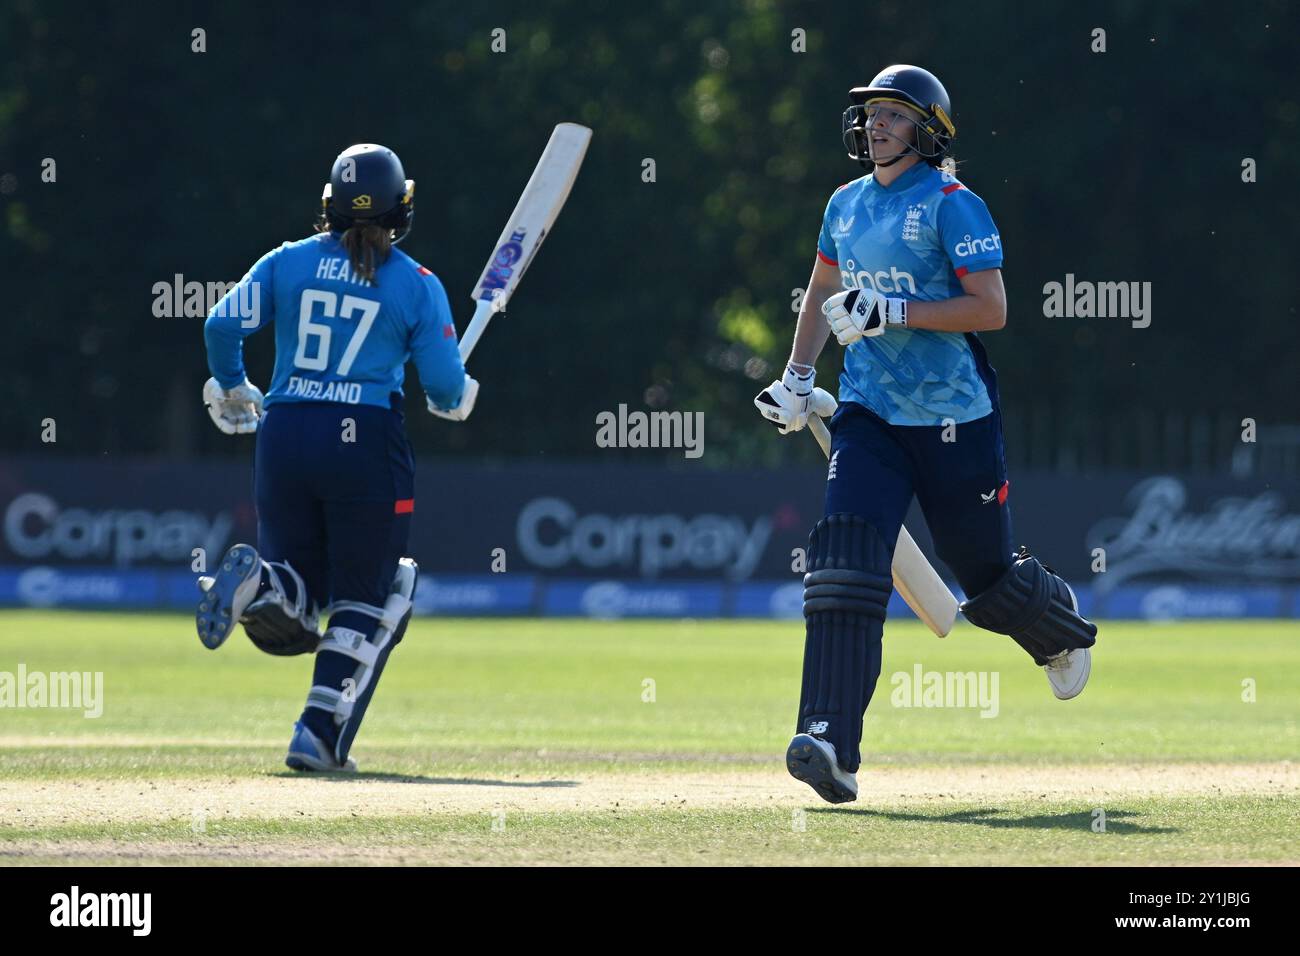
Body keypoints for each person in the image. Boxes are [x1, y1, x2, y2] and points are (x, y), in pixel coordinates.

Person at [754, 66, 1097, 805]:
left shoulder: (953, 204)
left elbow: (992, 308)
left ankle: (1056, 626)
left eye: (894, 115)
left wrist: (894, 313)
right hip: (869, 412)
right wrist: (798, 375)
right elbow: (819, 292)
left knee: (984, 576)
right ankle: (828, 740)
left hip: (953, 417)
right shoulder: (843, 205)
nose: (875, 124)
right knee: (843, 560)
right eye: (871, 112)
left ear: (928, 129)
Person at [196, 143, 477, 772]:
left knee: (300, 587)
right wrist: (461, 395)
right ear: (402, 209)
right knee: (368, 591)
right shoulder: (418, 284)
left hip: (286, 429)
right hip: (365, 441)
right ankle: (317, 736)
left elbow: (220, 325)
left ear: (328, 205)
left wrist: (235, 384)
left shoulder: (286, 261)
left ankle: (260, 582)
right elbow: (445, 390)